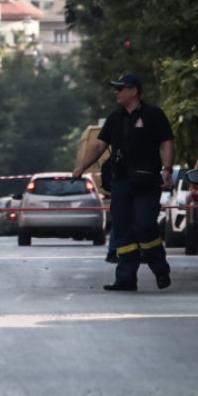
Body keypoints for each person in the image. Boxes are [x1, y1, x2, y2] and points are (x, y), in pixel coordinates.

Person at [73, 72, 175, 292]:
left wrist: (166, 169)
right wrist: (82, 167)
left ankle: (160, 268)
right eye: (116, 88)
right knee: (123, 230)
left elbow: (167, 142)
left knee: (145, 225)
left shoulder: (153, 115)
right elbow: (99, 145)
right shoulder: (115, 118)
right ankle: (126, 277)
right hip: (121, 181)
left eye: (120, 88)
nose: (116, 92)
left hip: (146, 180)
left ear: (133, 91)